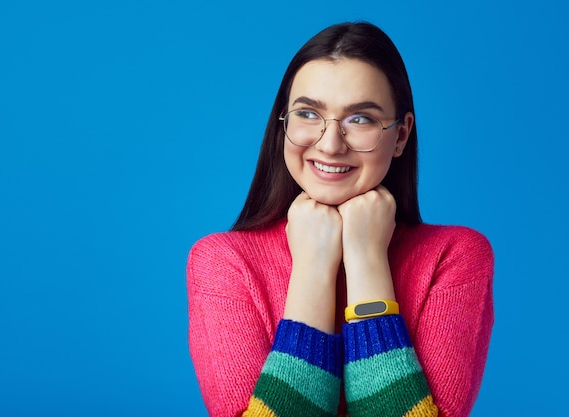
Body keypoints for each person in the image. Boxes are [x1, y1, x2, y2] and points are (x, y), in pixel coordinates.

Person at [187, 21, 493, 417]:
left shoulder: (455, 257)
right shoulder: (222, 263)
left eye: (360, 119)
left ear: (400, 135)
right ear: (284, 123)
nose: (330, 144)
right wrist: (313, 271)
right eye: (308, 113)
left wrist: (367, 261)